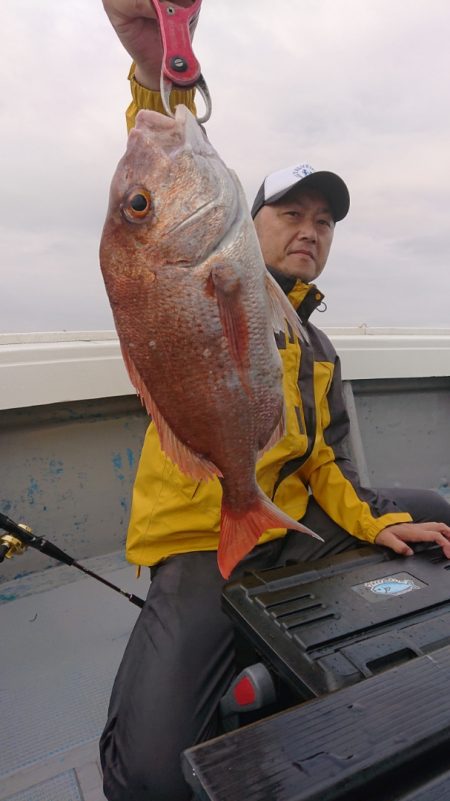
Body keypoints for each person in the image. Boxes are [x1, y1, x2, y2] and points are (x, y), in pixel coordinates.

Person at [100, 3, 450, 799]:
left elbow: (325, 462)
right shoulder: (213, 275)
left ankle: (292, 665)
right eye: (290, 212)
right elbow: (155, 176)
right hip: (200, 539)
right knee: (151, 777)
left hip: (289, 520)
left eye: (323, 221)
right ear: (241, 222)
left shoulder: (314, 343)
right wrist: (157, 71)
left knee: (431, 509)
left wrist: (375, 521)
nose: (309, 230)